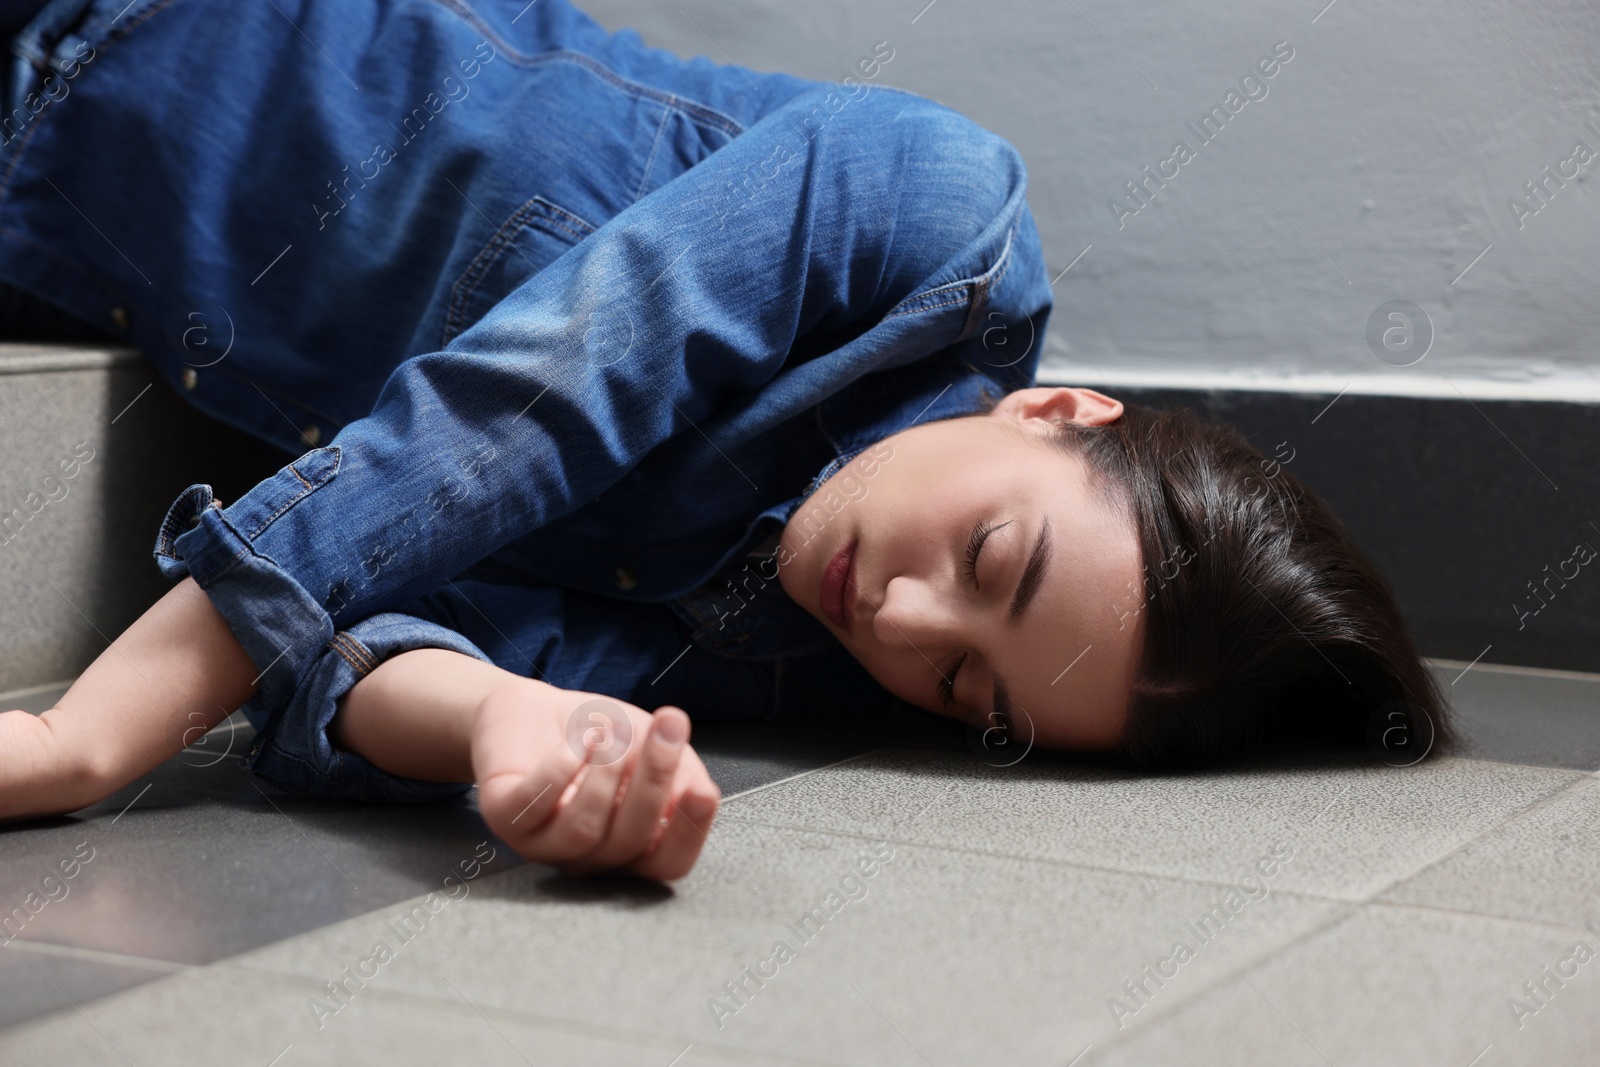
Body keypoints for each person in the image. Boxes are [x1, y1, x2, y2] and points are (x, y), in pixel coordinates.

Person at [0, 0, 1453, 880]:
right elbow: (531, 404)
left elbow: (346, 671)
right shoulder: (931, 222)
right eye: (988, 557)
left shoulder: (786, 656)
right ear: (1058, 413)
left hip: (40, 225)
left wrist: (504, 719)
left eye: (964, 688)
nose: (897, 616)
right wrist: (90, 738)